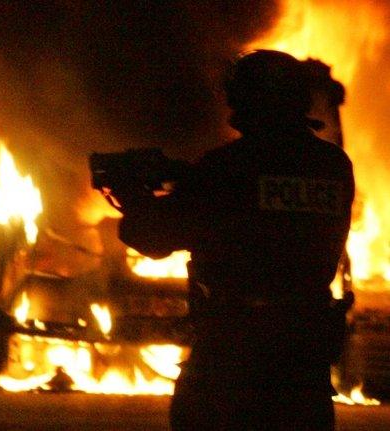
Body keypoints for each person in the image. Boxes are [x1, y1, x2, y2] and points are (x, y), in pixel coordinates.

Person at [117, 50, 355, 430]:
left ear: (247, 101)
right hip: (304, 353)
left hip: (234, 351)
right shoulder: (334, 166)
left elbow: (154, 238)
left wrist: (134, 199)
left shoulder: (227, 166)